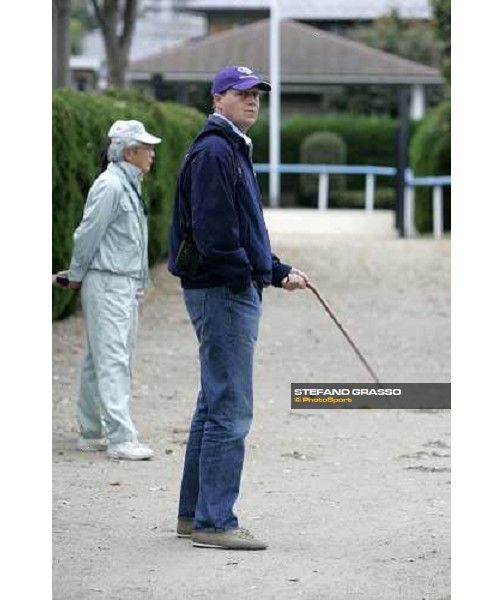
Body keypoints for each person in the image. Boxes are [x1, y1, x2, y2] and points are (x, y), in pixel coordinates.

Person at [168, 66, 309, 550]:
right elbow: (216, 235)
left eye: (257, 95)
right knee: (230, 408)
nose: (252, 101)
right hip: (222, 292)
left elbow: (244, 230)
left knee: (213, 404)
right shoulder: (214, 151)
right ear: (217, 99)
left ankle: (194, 517)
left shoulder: (228, 147)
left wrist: (275, 269)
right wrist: (243, 279)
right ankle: (214, 523)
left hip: (226, 287)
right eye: (241, 93)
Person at [60, 120, 161, 460]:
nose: (152, 153)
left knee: (98, 358)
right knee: (114, 358)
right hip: (109, 282)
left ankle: (92, 431)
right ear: (130, 152)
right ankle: (121, 438)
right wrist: (76, 273)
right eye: (147, 148)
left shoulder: (127, 184)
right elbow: (87, 233)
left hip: (121, 281)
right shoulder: (111, 186)